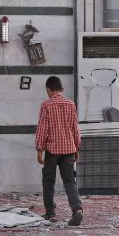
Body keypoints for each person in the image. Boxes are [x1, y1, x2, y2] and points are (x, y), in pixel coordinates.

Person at [35, 76, 84, 226]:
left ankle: (50, 213)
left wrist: (40, 150)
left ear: (48, 89)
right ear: (62, 89)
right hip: (69, 149)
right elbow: (75, 128)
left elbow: (42, 129)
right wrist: (77, 148)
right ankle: (77, 210)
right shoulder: (71, 104)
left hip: (53, 150)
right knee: (69, 181)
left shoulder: (46, 105)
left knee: (48, 181)